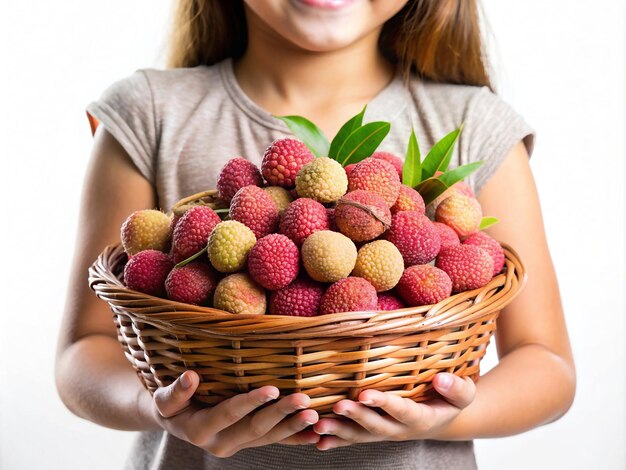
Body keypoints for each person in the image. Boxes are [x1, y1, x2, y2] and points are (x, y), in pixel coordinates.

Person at [55, 0, 576, 468]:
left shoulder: (476, 125)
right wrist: (156, 406)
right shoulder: (148, 113)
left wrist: (449, 415)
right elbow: (84, 351)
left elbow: (548, 366)